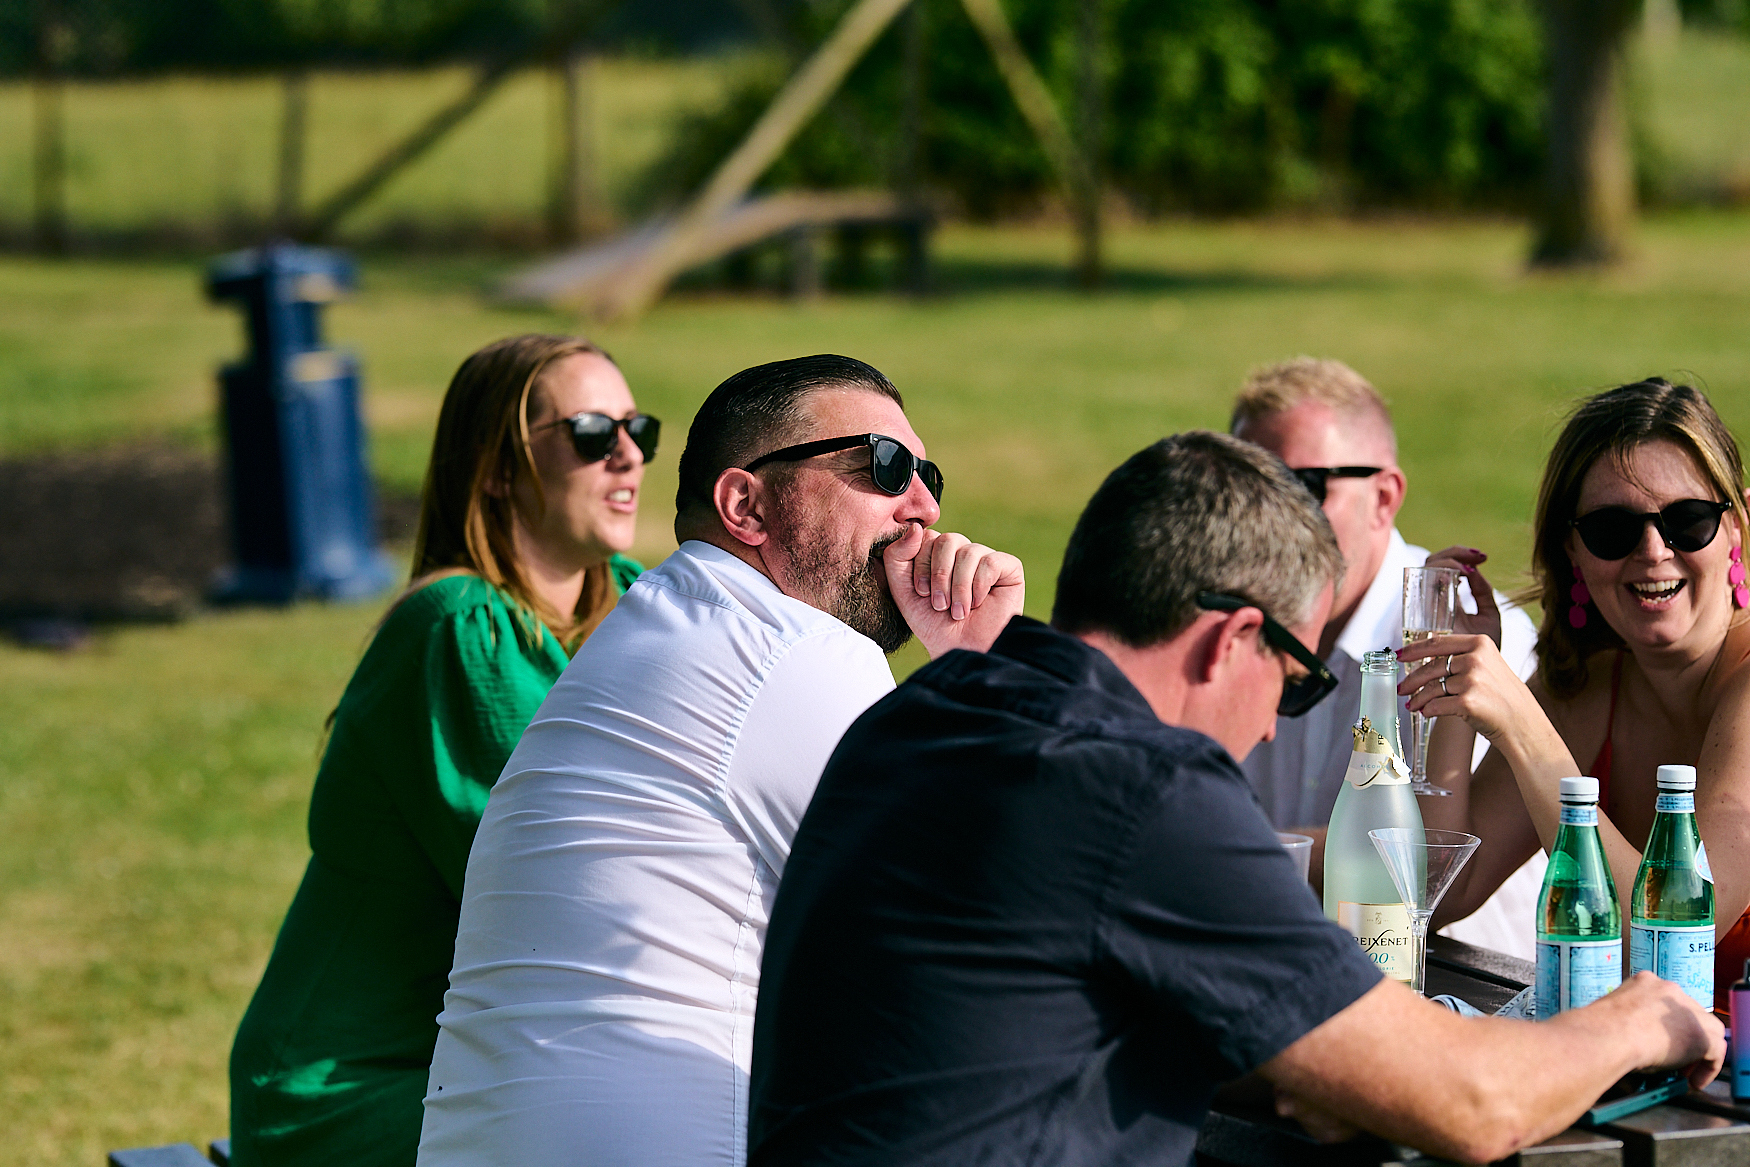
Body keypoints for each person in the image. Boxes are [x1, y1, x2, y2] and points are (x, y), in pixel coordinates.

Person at [748, 430, 1722, 1167]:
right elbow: (1472, 1106)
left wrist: (1326, 1067)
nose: (1266, 732)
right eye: (1295, 684)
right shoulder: (1141, 787)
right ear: (1230, 641)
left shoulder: (922, 715)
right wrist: (1642, 1019)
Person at [417, 354, 1024, 1166]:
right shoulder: (788, 650)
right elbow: (1002, 925)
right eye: (884, 466)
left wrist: (973, 672)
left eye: (928, 475)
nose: (923, 506)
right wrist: (994, 666)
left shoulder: (655, 632)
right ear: (746, 504)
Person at [228, 335, 655, 1167]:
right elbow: (578, 888)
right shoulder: (458, 628)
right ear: (497, 468)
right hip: (351, 1088)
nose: (628, 454)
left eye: (638, 428)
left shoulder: (639, 604)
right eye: (592, 432)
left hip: (490, 1064)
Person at [1408, 377, 1750, 1009]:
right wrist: (1456, 689)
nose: (1653, 551)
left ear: (1735, 529)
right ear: (1573, 551)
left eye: (1687, 521)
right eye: (1611, 529)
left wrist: (1524, 728)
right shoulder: (1589, 684)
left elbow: (1668, 941)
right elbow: (1443, 890)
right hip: (1650, 1053)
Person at [1230, 357, 1544, 958]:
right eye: (1248, 493)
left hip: (1458, 984)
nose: (1269, 525)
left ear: (1383, 496)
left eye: (1300, 488)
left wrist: (1231, 849)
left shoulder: (1469, 636)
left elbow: (1425, 864)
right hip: (1299, 970)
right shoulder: (1234, 632)